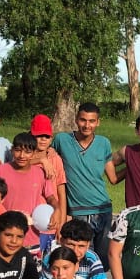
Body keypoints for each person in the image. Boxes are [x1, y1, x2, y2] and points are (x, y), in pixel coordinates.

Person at [53, 102, 117, 258]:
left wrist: (133, 166)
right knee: (81, 259)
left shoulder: (104, 143)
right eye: (83, 120)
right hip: (78, 212)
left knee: (102, 261)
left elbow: (113, 178)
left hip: (103, 211)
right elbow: (48, 156)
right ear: (76, 119)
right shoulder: (62, 140)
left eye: (92, 121)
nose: (87, 125)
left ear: (98, 122)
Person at [0, 133, 59, 246]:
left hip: (31, 237)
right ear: (12, 150)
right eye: (18, 150)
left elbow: (51, 197)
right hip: (4, 234)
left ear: (34, 153)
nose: (22, 156)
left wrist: (57, 210)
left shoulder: (40, 173)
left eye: (27, 152)